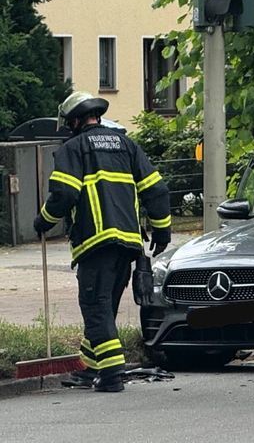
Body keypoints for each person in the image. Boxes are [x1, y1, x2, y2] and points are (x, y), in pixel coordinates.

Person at [33, 92, 172, 393]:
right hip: (129, 246)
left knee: (95, 306)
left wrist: (43, 220)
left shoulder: (73, 148)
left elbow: (65, 195)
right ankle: (90, 368)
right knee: (105, 306)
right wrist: (162, 232)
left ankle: (110, 375)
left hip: (96, 242)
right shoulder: (127, 145)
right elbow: (156, 190)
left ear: (73, 121)